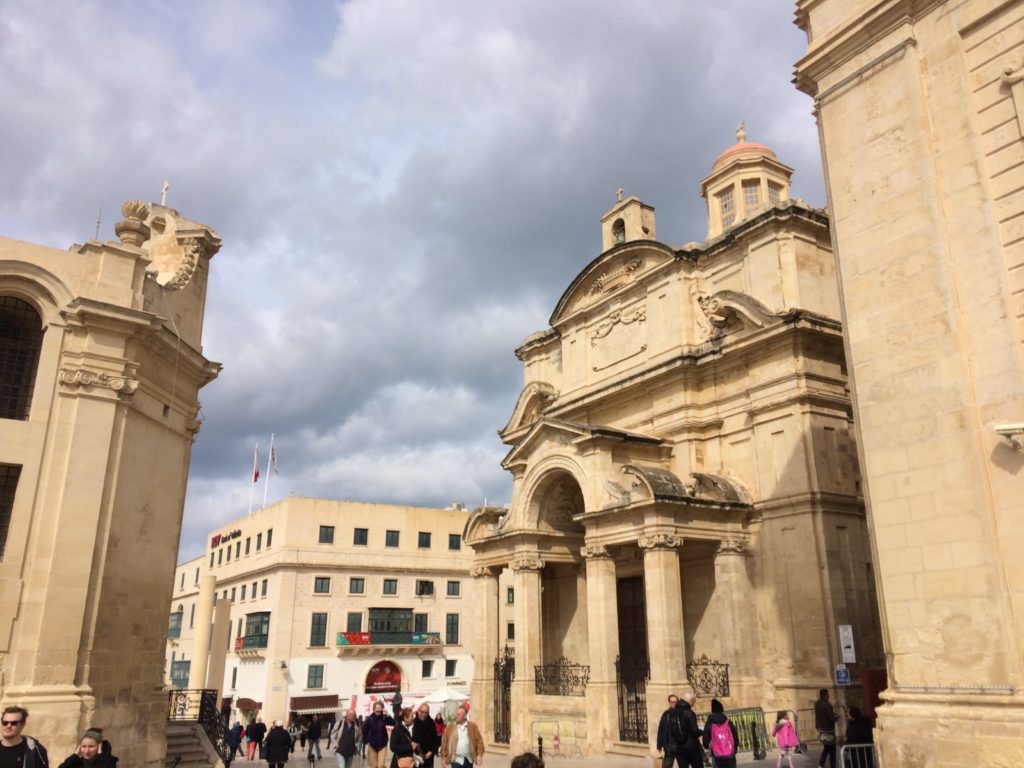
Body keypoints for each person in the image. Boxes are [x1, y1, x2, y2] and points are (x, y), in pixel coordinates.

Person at [701, 699, 738, 768]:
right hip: (729, 753)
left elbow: (705, 740)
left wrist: (707, 746)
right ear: (722, 710)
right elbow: (735, 738)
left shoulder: (709, 724)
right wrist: (734, 749)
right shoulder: (728, 723)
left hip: (716, 754)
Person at [363, 700, 395, 768]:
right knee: (374, 766)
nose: (378, 712)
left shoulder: (384, 717)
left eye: (380, 710)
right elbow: (364, 731)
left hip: (382, 745)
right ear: (374, 710)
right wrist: (366, 740)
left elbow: (393, 723)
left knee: (380, 765)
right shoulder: (369, 719)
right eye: (377, 710)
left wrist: (388, 715)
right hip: (372, 746)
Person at [814, 689, 838, 768]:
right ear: (825, 695)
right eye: (828, 694)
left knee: (827, 747)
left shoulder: (817, 704)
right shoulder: (827, 705)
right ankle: (832, 765)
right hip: (829, 730)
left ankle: (821, 764)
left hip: (822, 729)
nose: (829, 696)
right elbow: (831, 718)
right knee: (832, 749)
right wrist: (836, 717)